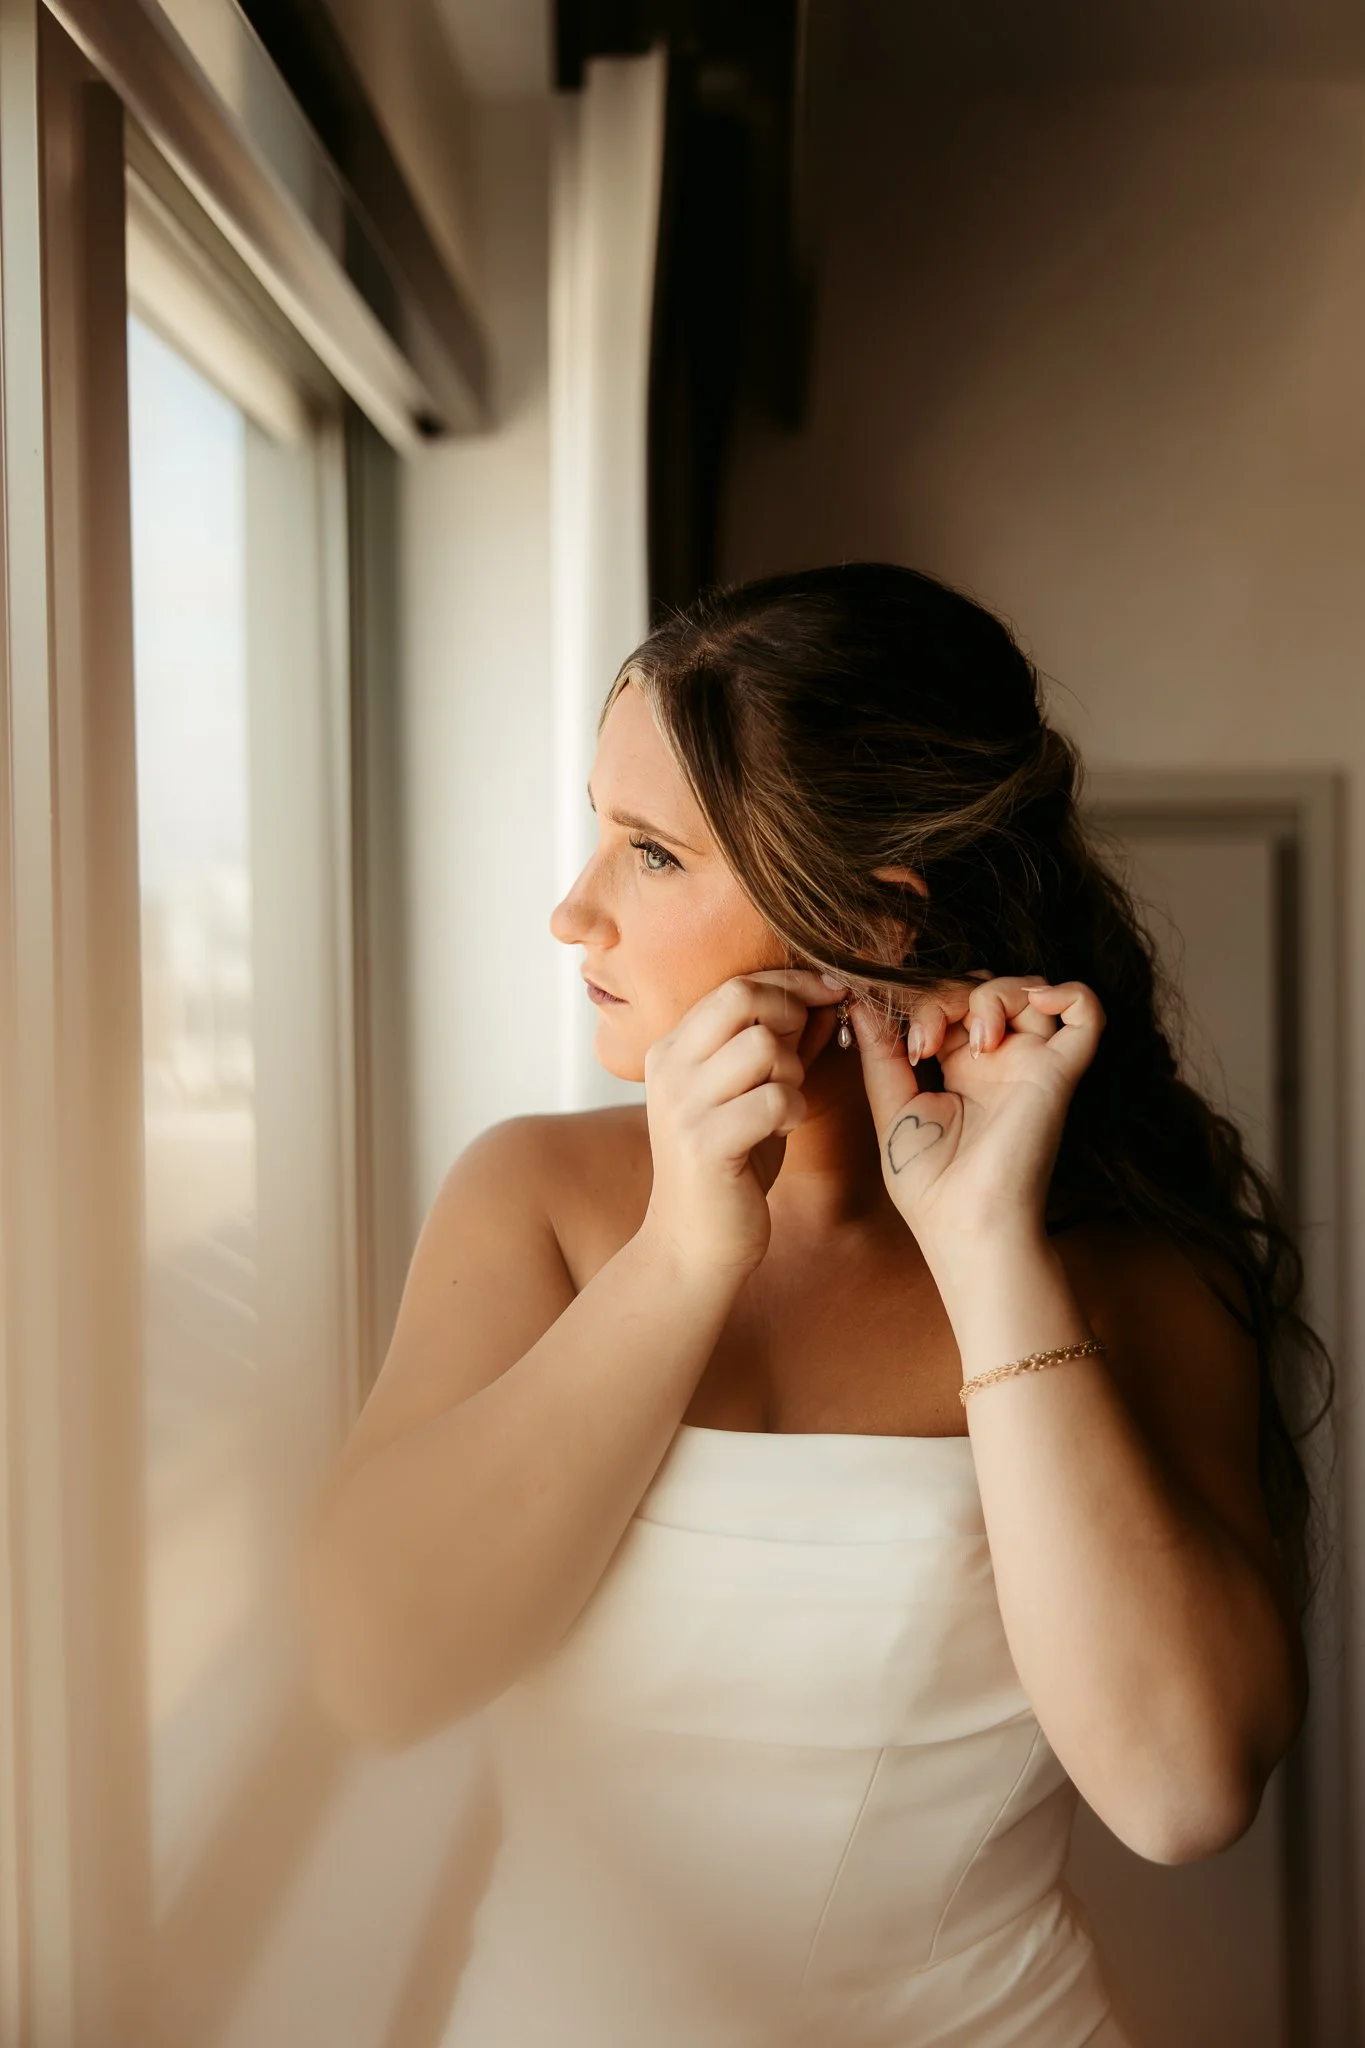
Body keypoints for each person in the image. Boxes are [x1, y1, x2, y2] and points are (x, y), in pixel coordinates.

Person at [303, 563, 1327, 2047]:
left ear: (873, 916)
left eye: (649, 856)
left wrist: (984, 1245)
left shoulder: (1119, 1266)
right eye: (598, 833)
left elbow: (1183, 1791)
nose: (569, 913)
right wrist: (679, 1255)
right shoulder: (529, 1199)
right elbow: (371, 1678)